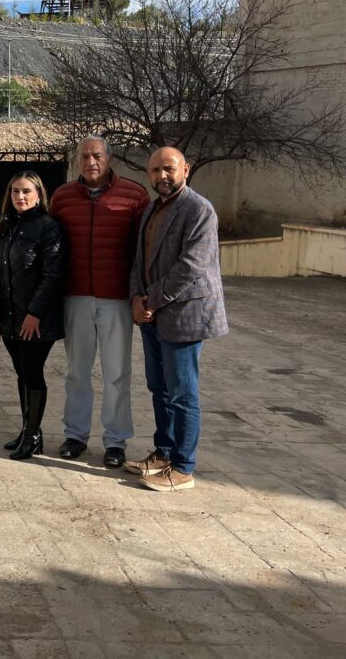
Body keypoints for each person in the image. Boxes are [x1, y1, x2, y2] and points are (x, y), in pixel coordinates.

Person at [127, 147, 227, 492]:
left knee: (182, 393)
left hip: (184, 315)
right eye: (155, 170)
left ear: (186, 169)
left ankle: (183, 467)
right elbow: (139, 259)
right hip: (151, 313)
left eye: (169, 168)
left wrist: (150, 301)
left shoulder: (199, 209)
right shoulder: (152, 209)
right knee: (159, 388)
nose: (162, 176)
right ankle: (164, 453)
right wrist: (136, 298)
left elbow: (191, 266)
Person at [49, 135, 150, 468]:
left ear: (109, 158)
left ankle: (115, 441)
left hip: (116, 299)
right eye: (84, 156)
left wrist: (138, 294)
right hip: (75, 296)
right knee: (76, 372)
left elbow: (142, 251)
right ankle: (75, 435)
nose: (90, 162)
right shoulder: (63, 197)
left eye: (97, 156)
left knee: (116, 374)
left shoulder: (134, 195)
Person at [0, 172, 66, 460]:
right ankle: (28, 429)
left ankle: (32, 436)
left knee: (32, 372)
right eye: (15, 191)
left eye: (27, 191)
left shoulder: (48, 227)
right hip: (9, 315)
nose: (20, 196)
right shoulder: (4, 226)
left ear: (38, 195)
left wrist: (35, 313)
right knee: (22, 372)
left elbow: (53, 275)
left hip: (36, 319)